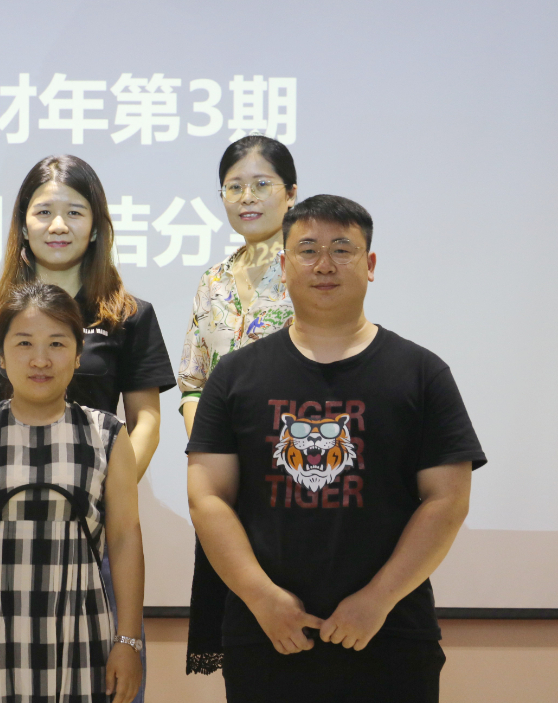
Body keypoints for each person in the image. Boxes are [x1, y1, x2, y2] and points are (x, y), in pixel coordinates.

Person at [186, 195, 486, 703]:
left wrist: (378, 599)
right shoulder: (234, 376)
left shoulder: (421, 373)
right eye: (308, 250)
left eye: (342, 249)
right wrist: (262, 598)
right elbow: (207, 496)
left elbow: (448, 499)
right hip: (266, 634)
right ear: (284, 266)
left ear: (370, 265)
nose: (324, 264)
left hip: (391, 633)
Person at [0, 155, 174, 701]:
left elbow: (146, 420)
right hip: (7, 533)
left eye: (75, 211)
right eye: (44, 212)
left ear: (96, 225)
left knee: (106, 681)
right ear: (23, 224)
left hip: (95, 528)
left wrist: (104, 491)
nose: (59, 225)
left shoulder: (130, 315)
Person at [0, 282, 145, 703]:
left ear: (78, 355)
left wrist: (128, 641)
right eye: (24, 343)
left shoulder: (107, 434)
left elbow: (124, 539)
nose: (40, 359)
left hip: (85, 638)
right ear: (2, 354)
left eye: (57, 344)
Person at [178, 134, 298, 675]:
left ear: (290, 193)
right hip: (227, 483)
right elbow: (193, 380)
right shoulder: (214, 281)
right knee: (246, 646)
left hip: (299, 471)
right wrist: (209, 444)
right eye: (233, 187)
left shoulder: (310, 269)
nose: (246, 197)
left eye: (261, 184)